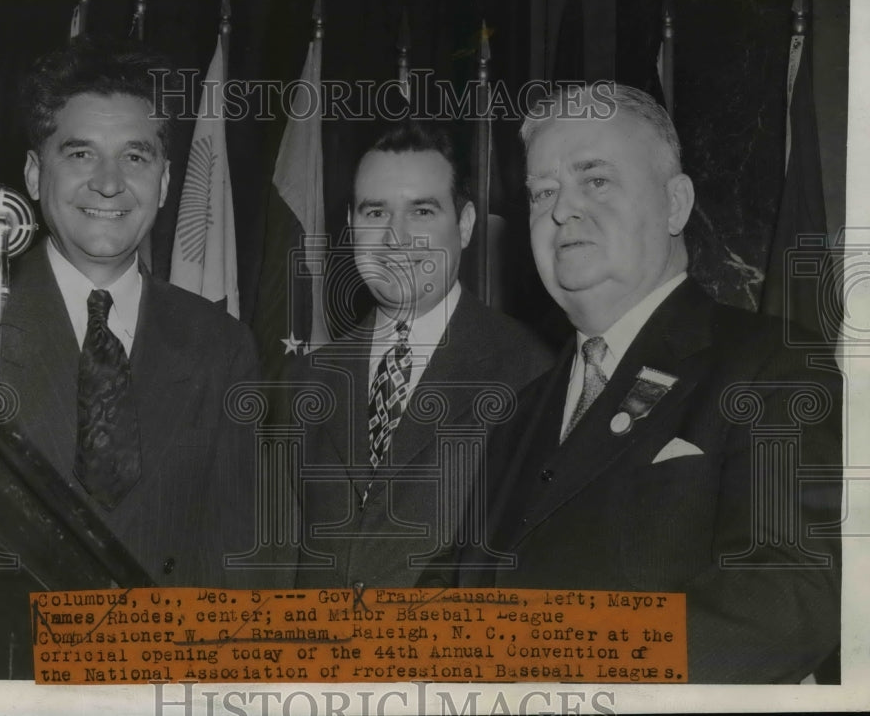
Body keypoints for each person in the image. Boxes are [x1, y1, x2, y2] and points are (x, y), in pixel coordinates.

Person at [445, 84, 841, 684]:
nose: (560, 210)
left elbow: (787, 599)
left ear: (675, 203)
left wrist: (558, 668)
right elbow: (454, 595)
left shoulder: (771, 365)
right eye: (542, 192)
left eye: (595, 180)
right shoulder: (521, 412)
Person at [0, 37, 260, 675]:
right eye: (80, 153)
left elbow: (238, 562)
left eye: (135, 156)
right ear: (31, 173)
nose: (108, 182)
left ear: (164, 182)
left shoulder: (221, 346)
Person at [292, 121, 552, 589]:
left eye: (422, 212)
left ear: (466, 224)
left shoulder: (530, 371)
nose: (397, 238)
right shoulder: (308, 378)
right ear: (351, 229)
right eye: (376, 213)